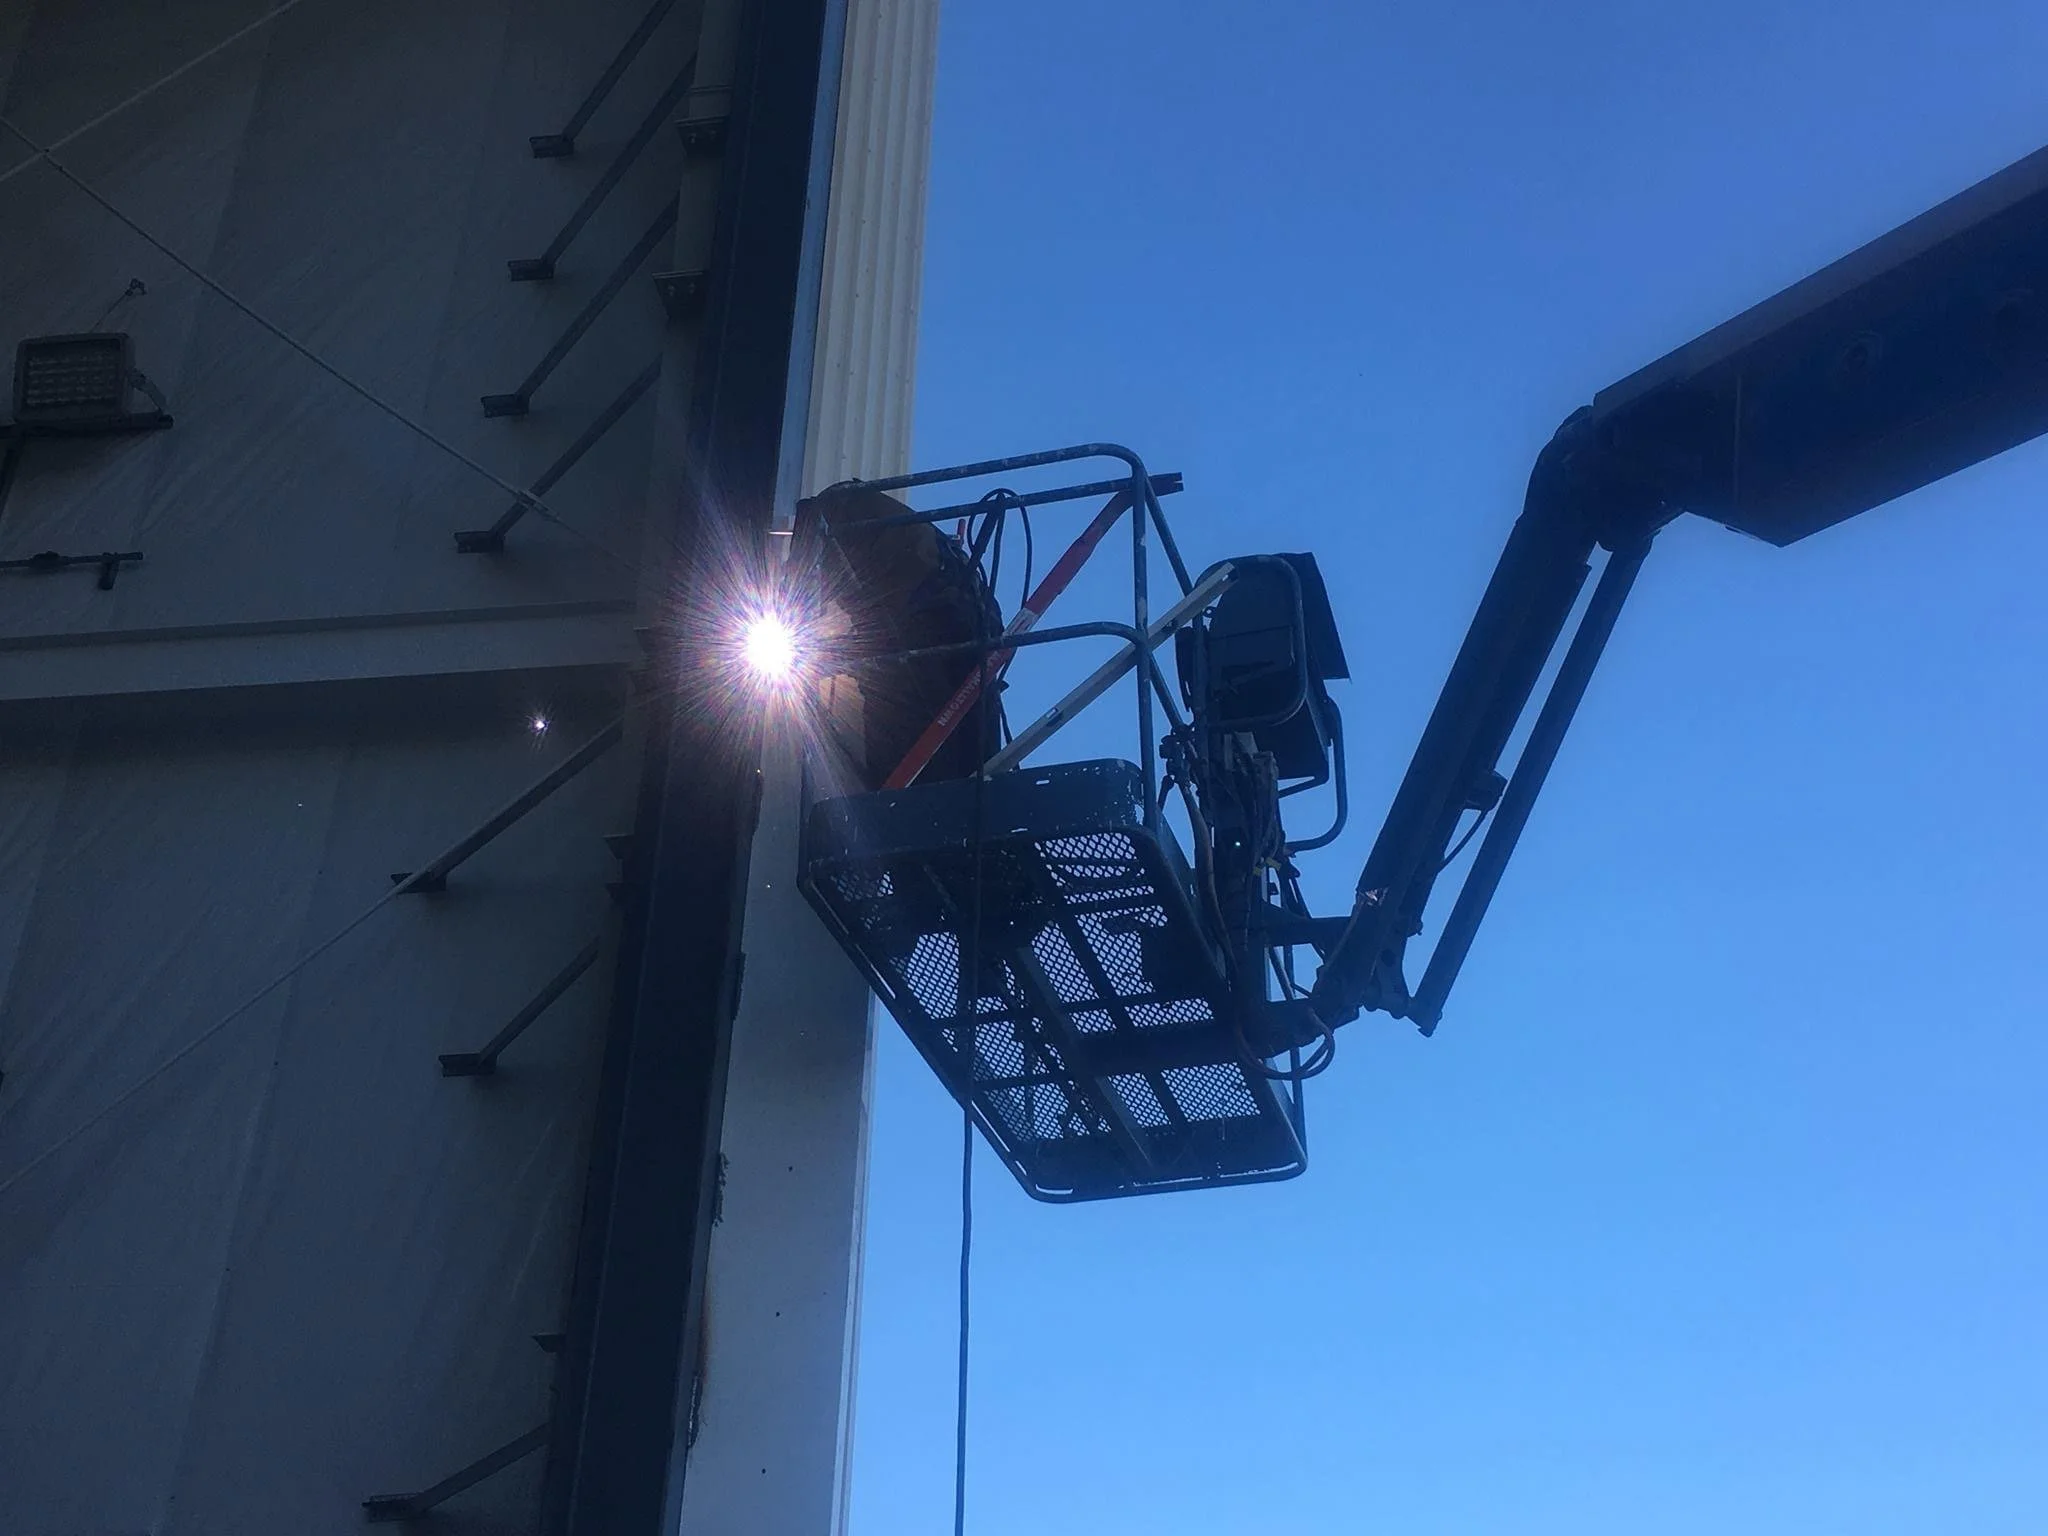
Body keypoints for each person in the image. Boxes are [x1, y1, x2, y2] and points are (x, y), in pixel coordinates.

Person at [797, 484, 1004, 790]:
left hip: (944, 629)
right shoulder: (878, 534)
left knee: (932, 764)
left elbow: (888, 634)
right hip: (958, 629)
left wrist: (817, 652)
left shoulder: (845, 522)